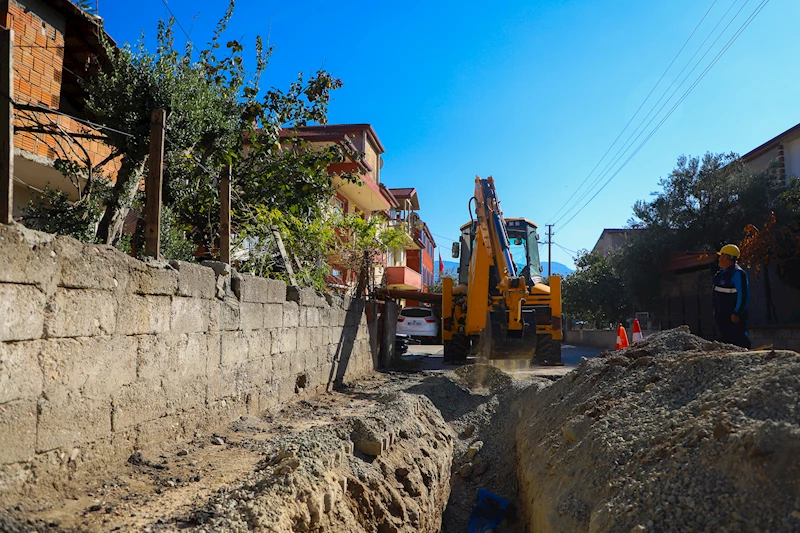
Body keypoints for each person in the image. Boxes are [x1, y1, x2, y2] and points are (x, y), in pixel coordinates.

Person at [712, 244, 751, 348]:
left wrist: (737, 313)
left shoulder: (738, 274)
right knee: (724, 340)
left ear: (726, 257)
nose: (719, 259)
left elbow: (744, 295)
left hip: (733, 318)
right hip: (721, 317)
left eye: (721, 256)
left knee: (739, 339)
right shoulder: (720, 274)